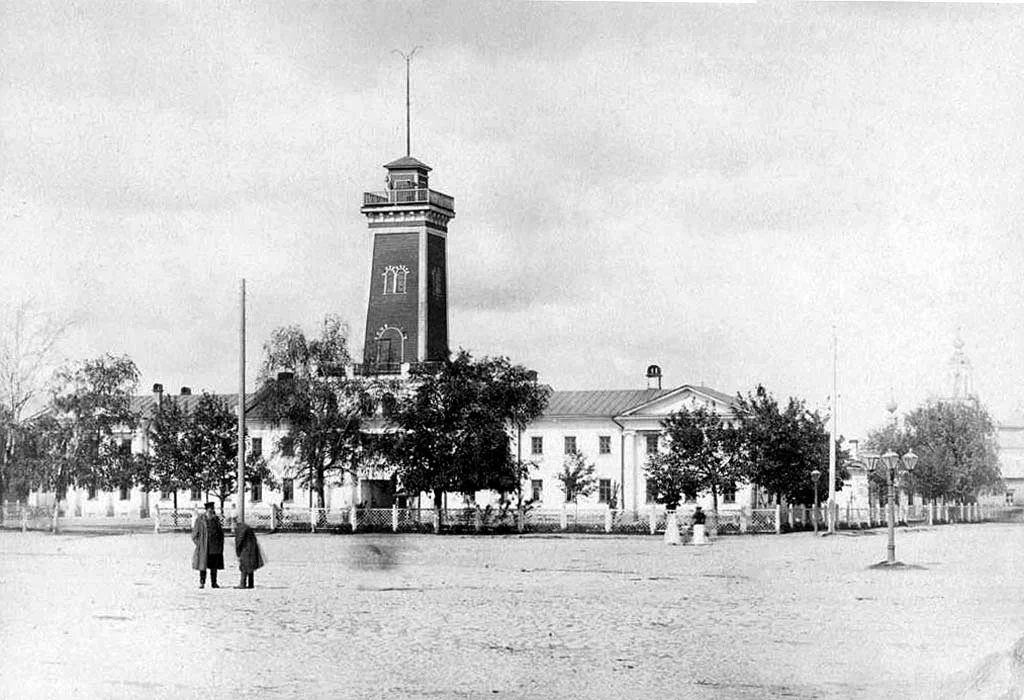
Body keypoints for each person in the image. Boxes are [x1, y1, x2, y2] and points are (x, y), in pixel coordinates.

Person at [191, 502, 225, 588]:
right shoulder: (200, 520)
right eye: (210, 509)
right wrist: (199, 544)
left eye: (212, 509)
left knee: (214, 567)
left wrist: (220, 544)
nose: (211, 511)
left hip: (215, 547)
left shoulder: (216, 519)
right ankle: (202, 582)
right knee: (203, 566)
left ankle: (214, 583)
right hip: (204, 547)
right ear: (206, 510)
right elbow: (194, 535)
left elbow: (220, 533)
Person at [234, 520, 264, 589]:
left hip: (246, 549)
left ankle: (243, 584)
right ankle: (251, 584)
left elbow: (239, 541)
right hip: (252, 548)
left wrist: (238, 552)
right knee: (250, 566)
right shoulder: (246, 527)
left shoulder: (240, 529)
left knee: (244, 566)